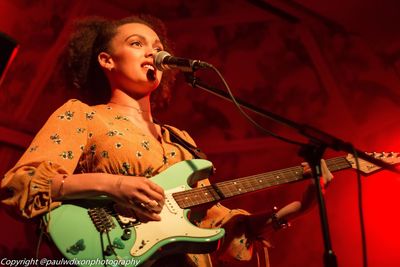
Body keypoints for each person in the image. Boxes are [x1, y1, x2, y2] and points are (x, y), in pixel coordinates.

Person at [0, 15, 333, 267]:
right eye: (136, 44)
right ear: (106, 60)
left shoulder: (181, 142)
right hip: (109, 250)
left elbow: (213, 221)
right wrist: (113, 185)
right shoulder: (83, 115)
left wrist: (296, 209)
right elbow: (20, 184)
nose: (153, 52)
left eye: (158, 48)